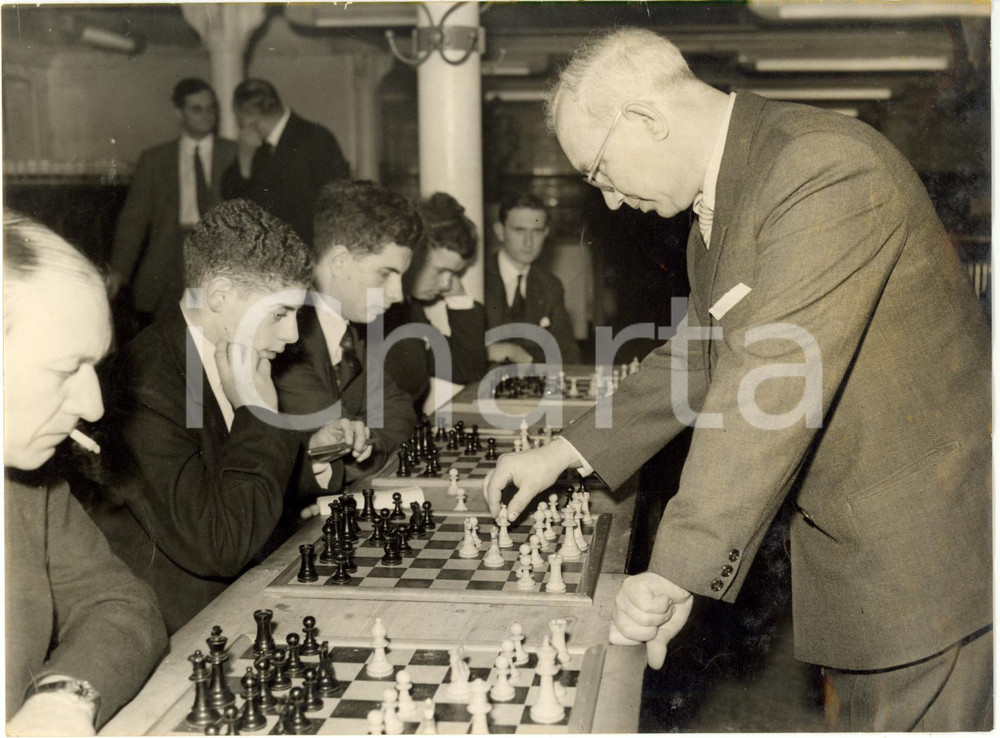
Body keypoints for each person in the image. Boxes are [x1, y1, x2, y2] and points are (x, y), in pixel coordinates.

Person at [484, 28, 991, 731]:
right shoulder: (727, 200)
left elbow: (771, 382)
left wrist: (677, 567)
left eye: (599, 172)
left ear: (646, 119)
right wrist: (565, 451)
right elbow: (702, 354)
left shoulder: (820, 167)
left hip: (924, 553)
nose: (609, 201)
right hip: (870, 548)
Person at [88, 199, 351, 634]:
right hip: (186, 627)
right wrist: (260, 415)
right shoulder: (143, 387)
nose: (291, 335)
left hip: (246, 593)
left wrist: (311, 459)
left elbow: (230, 472)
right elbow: (220, 544)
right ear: (220, 295)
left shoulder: (237, 350)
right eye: (280, 313)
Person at [4, 211, 168, 734]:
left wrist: (63, 697)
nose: (93, 407)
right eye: (64, 369)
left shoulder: (27, 484)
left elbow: (118, 602)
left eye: (93, 367)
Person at [271, 180, 419, 489]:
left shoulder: (346, 330)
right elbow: (339, 454)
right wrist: (367, 438)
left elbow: (400, 412)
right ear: (339, 261)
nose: (397, 294)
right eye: (385, 273)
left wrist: (366, 438)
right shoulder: (286, 338)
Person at [108, 78, 237, 323]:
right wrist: (119, 270)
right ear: (179, 113)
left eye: (211, 108)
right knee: (172, 335)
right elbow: (134, 220)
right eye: (197, 109)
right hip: (169, 262)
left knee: (208, 333)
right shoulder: (154, 160)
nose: (207, 115)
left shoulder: (234, 154)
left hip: (219, 261)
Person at [380, 192, 488, 411]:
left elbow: (468, 368)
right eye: (440, 270)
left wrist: (457, 295)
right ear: (412, 257)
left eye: (455, 274)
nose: (447, 284)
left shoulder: (410, 310)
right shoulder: (376, 310)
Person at [220, 78, 350, 243]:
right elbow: (229, 195)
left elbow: (338, 202)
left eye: (239, 118)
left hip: (309, 247)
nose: (238, 125)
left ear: (250, 116)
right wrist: (244, 161)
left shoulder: (316, 138)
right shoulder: (255, 145)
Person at [484, 193, 581, 366]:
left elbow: (569, 356)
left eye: (536, 231)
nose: (528, 242)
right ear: (500, 231)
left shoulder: (550, 285)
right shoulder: (478, 279)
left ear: (546, 232)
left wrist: (521, 356)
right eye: (519, 230)